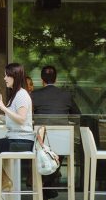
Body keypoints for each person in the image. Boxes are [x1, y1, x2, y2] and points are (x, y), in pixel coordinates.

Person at [0, 63, 34, 200]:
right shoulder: (16, 95)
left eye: (6, 75)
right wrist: (0, 116)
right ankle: (3, 181)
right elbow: (13, 119)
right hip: (15, 139)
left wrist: (3, 108)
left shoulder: (22, 95)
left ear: (14, 76)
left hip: (22, 141)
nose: (4, 78)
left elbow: (21, 119)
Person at [30, 65, 81, 199]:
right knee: (57, 152)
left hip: (41, 144)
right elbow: (77, 115)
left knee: (44, 152)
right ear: (56, 79)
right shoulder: (66, 95)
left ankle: (44, 185)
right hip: (62, 144)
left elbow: (28, 118)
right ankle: (47, 185)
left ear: (42, 80)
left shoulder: (34, 95)